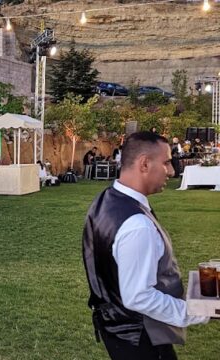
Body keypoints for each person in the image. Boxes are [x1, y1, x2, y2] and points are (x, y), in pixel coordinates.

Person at [82, 131, 209, 360]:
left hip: (118, 331)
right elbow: (138, 296)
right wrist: (198, 310)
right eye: (167, 163)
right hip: (140, 339)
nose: (171, 172)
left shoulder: (106, 200)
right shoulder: (137, 224)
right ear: (144, 164)